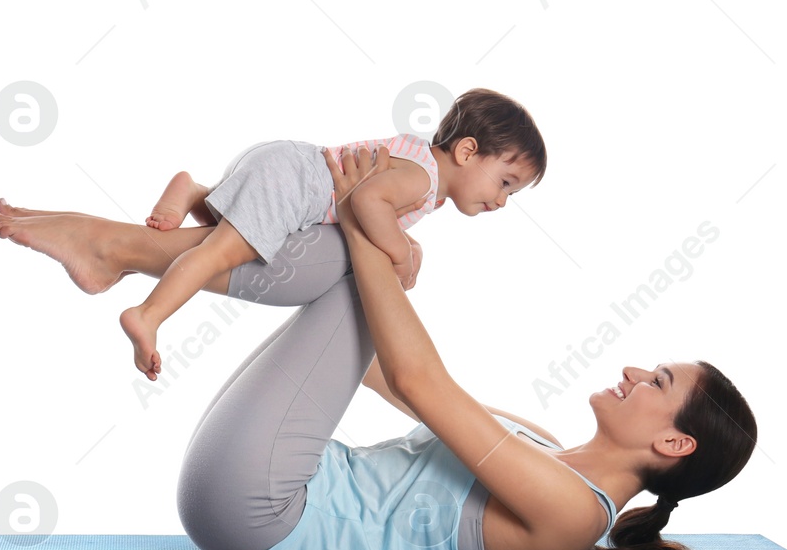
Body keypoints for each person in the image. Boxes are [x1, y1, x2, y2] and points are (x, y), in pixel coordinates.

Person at [0, 147, 758, 550]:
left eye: (657, 382)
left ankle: (122, 250)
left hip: (260, 514)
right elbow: (389, 372)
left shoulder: (572, 513)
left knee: (352, 255)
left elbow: (420, 377)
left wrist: (369, 224)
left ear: (674, 443)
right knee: (339, 259)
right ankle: (115, 252)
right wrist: (371, 239)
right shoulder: (541, 443)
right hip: (262, 480)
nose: (633, 371)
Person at [113, 88, 545, 381]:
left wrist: (408, 244)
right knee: (221, 252)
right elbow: (366, 201)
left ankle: (197, 193)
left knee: (229, 227)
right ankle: (148, 314)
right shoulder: (424, 179)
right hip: (293, 184)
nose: (503, 200)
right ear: (468, 152)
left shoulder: (421, 166)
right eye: (505, 183)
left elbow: (377, 203)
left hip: (288, 169)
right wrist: (399, 251)